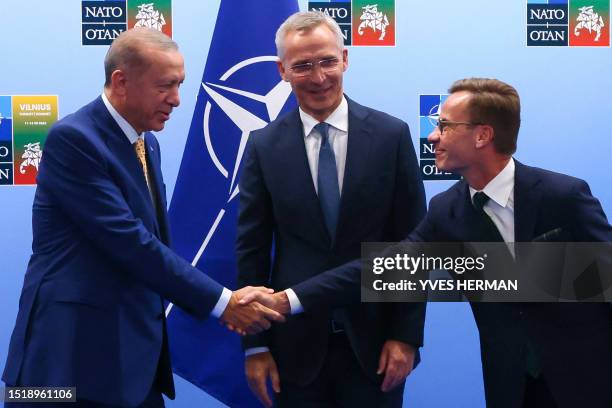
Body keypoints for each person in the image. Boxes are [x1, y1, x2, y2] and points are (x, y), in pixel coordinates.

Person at [243, 78, 612, 408]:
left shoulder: (563, 196)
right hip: (511, 385)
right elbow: (382, 269)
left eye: (445, 126)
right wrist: (287, 300)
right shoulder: (446, 212)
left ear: (482, 136)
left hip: (590, 380)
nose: (432, 136)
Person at [2, 28, 283, 408]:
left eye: (180, 84)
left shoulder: (145, 142)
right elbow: (130, 242)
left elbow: (150, 245)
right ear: (121, 81)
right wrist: (223, 302)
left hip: (132, 364)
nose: (177, 100)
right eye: (165, 86)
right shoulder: (74, 139)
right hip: (63, 366)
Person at [236, 11, 426, 408]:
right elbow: (251, 251)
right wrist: (255, 347)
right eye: (303, 66)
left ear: (345, 58)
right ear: (282, 71)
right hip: (294, 348)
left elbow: (414, 247)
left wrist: (406, 335)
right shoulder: (263, 146)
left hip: (377, 346)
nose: (319, 77)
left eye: (327, 61)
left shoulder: (392, 136)